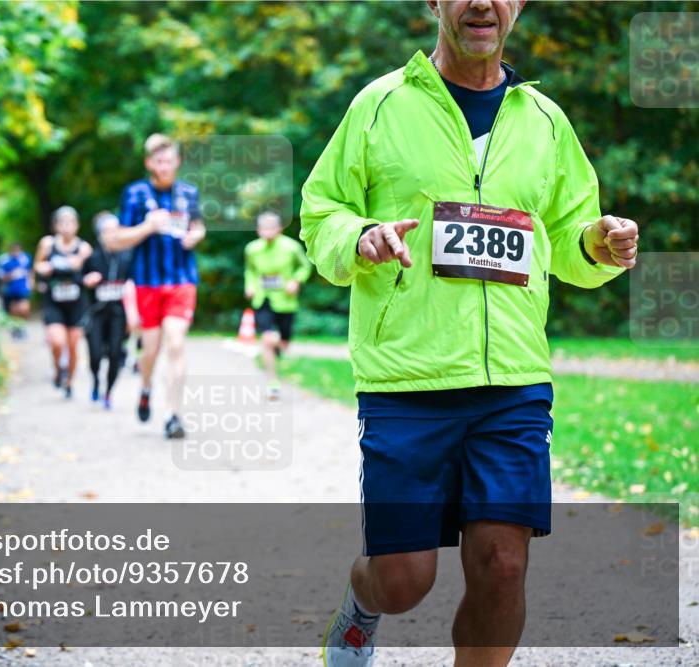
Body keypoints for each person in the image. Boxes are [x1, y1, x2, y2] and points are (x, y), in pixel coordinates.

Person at [299, 2, 640, 666]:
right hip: (406, 378)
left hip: (512, 383)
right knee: (403, 581)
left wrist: (598, 242)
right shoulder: (380, 105)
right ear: (434, 2)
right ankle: (362, 604)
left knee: (503, 564)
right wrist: (358, 236)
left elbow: (570, 237)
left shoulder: (544, 122)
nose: (481, 2)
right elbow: (321, 212)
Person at [105, 133, 206, 439]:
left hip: (181, 280)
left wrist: (195, 236)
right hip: (147, 281)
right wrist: (148, 226)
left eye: (169, 160)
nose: (164, 165)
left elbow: (198, 225)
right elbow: (118, 239)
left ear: (177, 162)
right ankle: (146, 386)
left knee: (176, 343)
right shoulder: (135, 194)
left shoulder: (189, 193)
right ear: (150, 163)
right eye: (158, 160)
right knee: (150, 350)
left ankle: (173, 415)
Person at [243, 211, 312, 400]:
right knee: (266, 339)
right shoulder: (252, 249)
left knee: (284, 343)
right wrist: (249, 285)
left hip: (286, 301)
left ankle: (278, 347)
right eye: (263, 228)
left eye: (271, 228)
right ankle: (272, 382)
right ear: (258, 230)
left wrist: (296, 281)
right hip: (263, 298)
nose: (267, 232)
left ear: (279, 229)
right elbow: (250, 270)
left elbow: (305, 266)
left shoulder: (291, 247)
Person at [34, 206, 92, 399]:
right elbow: (37, 266)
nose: (67, 226)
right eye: (63, 222)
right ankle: (59, 369)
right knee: (58, 342)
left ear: (77, 225)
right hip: (54, 300)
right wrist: (44, 269)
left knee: (74, 343)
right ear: (56, 225)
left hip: (76, 302)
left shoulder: (84, 248)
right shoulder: (47, 244)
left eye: (71, 222)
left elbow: (91, 271)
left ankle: (69, 382)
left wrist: (83, 270)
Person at [82, 211, 135, 409]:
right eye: (107, 231)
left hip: (118, 314)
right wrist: (86, 281)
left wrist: (133, 316)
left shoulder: (128, 257)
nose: (112, 234)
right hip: (96, 313)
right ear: (100, 234)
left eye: (116, 230)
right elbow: (79, 281)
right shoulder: (92, 258)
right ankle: (96, 380)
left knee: (115, 354)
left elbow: (135, 286)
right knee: (95, 354)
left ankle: (109, 393)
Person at [0, 242, 32, 339]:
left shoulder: (26, 258)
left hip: (22, 289)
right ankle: (16, 329)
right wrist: (11, 275)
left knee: (24, 308)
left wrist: (31, 283)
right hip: (9, 290)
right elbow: (0, 276)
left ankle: (22, 327)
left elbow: (30, 271)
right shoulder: (3, 260)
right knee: (13, 311)